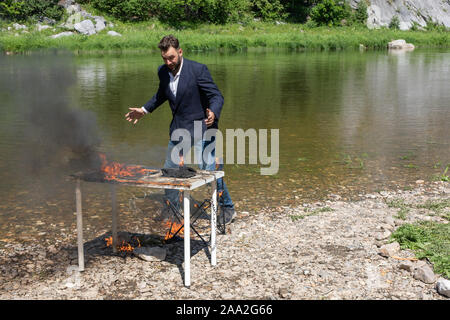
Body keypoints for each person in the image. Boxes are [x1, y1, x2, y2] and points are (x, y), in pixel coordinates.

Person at [125, 35, 236, 224]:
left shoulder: (198, 70)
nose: (168, 62)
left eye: (171, 58)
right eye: (164, 58)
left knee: (208, 172)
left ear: (180, 52)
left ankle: (227, 207)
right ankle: (172, 210)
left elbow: (216, 96)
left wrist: (213, 113)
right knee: (169, 170)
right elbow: (162, 94)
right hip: (179, 128)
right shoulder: (163, 71)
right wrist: (144, 110)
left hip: (203, 126)